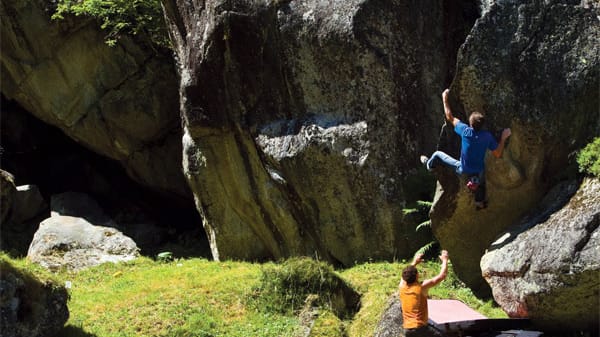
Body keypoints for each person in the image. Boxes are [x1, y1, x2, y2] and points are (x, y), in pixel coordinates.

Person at [420, 88, 511, 209]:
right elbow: (498, 154)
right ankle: (479, 201)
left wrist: (444, 98)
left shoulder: (465, 131)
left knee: (437, 154)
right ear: (483, 125)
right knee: (481, 178)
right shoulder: (487, 137)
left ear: (470, 123)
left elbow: (449, 116)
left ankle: (429, 165)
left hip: (462, 168)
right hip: (478, 170)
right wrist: (503, 138)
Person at [398, 251, 449, 337]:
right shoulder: (421, 287)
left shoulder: (402, 286)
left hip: (408, 330)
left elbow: (405, 274)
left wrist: (415, 262)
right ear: (417, 276)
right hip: (420, 328)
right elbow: (442, 275)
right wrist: (445, 260)